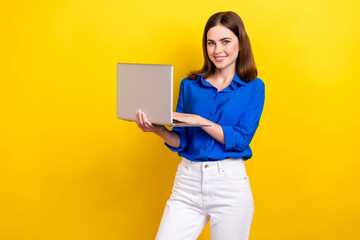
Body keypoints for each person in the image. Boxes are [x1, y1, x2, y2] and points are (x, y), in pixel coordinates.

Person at [136, 11, 265, 240]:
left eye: (226, 41)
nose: (217, 50)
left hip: (229, 185)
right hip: (188, 182)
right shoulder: (190, 85)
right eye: (211, 43)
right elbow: (182, 140)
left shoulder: (253, 87)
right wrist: (159, 130)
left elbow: (241, 138)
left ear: (240, 43)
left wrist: (200, 121)